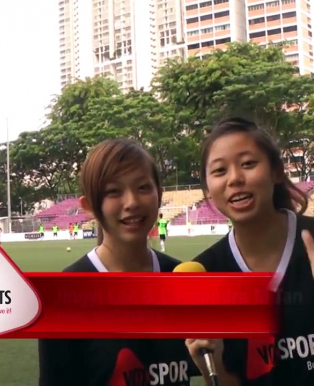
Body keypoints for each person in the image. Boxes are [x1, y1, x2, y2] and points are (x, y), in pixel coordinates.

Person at [186, 118, 314, 386]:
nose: (235, 178)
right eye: (219, 171)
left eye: (248, 164)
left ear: (275, 172)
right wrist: (209, 365)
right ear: (207, 189)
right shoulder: (205, 274)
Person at [38, 139, 199, 385]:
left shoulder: (182, 279)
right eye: (114, 191)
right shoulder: (64, 298)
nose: (132, 202)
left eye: (143, 187)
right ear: (89, 206)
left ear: (159, 194)